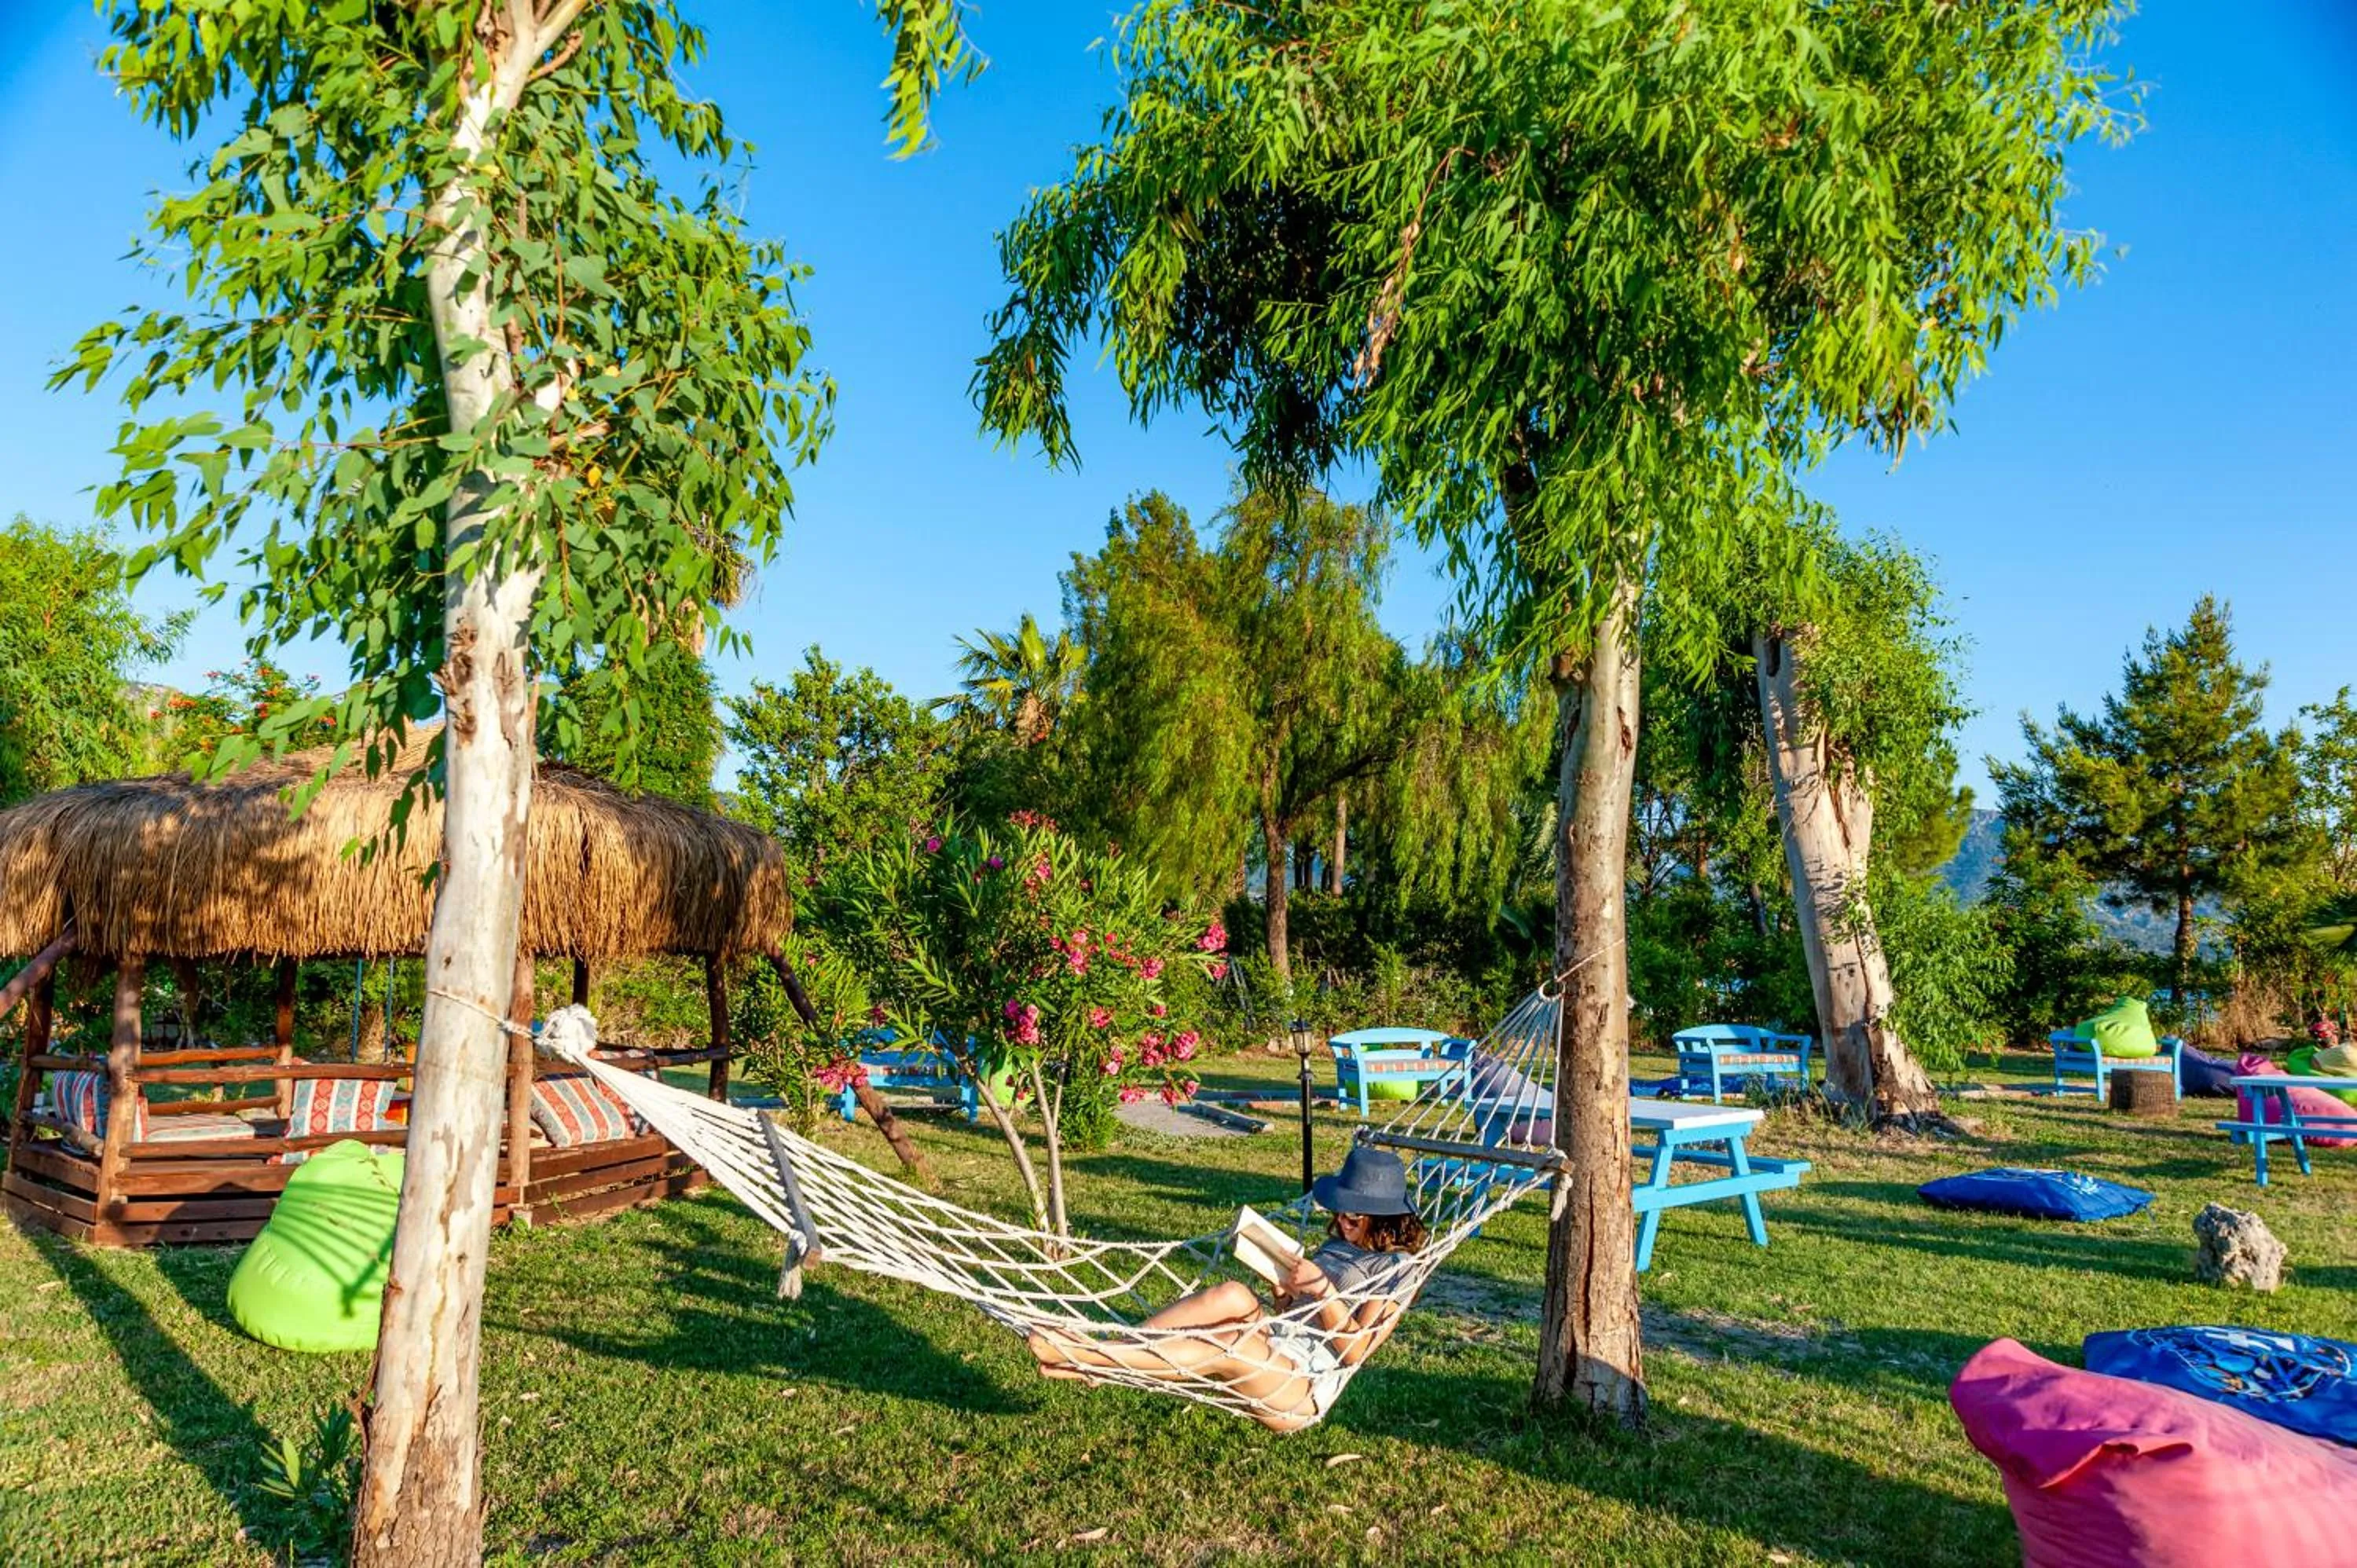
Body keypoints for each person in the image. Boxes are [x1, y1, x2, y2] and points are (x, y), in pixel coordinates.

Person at [1025, 1145, 1430, 1431]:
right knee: (1232, 1293)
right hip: (1280, 1340)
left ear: (1383, 1218)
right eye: (1339, 1211)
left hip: (1303, 1382)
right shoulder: (1337, 1244)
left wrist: (1325, 1291)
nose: (1343, 1221)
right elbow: (1293, 1312)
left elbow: (1357, 1350)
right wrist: (1283, 1291)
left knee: (1230, 1342)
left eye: (1354, 1216)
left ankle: (1087, 1354)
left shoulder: (1397, 1268)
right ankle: (1115, 1353)